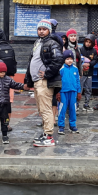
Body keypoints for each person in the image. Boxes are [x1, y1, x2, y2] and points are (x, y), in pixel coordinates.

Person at [24, 19, 63, 147]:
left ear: (49, 30)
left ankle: (49, 137)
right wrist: (27, 80)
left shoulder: (52, 43)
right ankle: (46, 134)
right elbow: (31, 61)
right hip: (36, 81)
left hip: (44, 81)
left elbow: (58, 60)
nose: (41, 31)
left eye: (44, 29)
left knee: (46, 109)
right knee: (42, 108)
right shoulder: (38, 42)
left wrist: (47, 73)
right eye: (39, 29)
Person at [0, 62, 24, 145]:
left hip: (5, 104)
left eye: (4, 72)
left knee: (5, 121)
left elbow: (15, 85)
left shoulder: (8, 79)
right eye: (1, 72)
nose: (3, 74)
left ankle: (5, 135)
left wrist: (23, 86)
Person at [57, 50, 81, 135]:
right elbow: (58, 81)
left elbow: (78, 80)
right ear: (64, 59)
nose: (69, 61)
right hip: (63, 91)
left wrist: (79, 91)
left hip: (73, 92)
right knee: (62, 109)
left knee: (73, 109)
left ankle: (73, 125)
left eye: (71, 59)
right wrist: (58, 92)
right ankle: (61, 126)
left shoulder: (75, 69)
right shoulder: (61, 69)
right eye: (67, 59)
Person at [79, 34, 97, 111]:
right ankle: (77, 104)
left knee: (88, 89)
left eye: (90, 42)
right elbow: (78, 59)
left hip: (89, 72)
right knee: (79, 88)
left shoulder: (94, 51)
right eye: (87, 41)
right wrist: (82, 64)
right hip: (82, 72)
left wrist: (89, 64)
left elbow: (95, 60)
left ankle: (86, 103)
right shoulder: (81, 49)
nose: (88, 43)